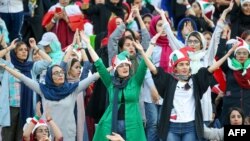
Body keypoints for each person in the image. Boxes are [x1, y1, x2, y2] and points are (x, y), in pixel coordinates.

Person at [143, 35, 238, 141]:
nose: (184, 67)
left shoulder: (196, 80)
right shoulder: (169, 80)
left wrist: (228, 54)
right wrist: (142, 52)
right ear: (175, 68)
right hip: (171, 127)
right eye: (181, 65)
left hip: (190, 127)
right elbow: (153, 69)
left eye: (187, 64)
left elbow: (212, 68)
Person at [0, 56, 100, 140]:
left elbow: (94, 77)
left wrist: (111, 68)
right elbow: (24, 78)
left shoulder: (73, 89)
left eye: (61, 72)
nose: (60, 75)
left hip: (67, 133)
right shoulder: (43, 90)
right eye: (56, 73)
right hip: (46, 132)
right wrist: (7, 68)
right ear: (49, 76)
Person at [82, 31, 150, 140]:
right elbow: (99, 64)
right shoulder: (110, 83)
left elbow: (144, 65)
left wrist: (142, 50)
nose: (124, 68)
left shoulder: (135, 81)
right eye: (121, 66)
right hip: (112, 124)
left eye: (126, 65)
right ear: (116, 69)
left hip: (133, 126)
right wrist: (88, 45)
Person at [0, 38, 52, 141]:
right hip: (11, 108)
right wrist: (9, 48)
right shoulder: (8, 66)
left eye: (26, 50)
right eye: (20, 49)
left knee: (23, 136)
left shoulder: (31, 67)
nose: (24, 51)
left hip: (27, 108)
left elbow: (48, 61)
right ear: (15, 52)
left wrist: (35, 47)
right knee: (7, 137)